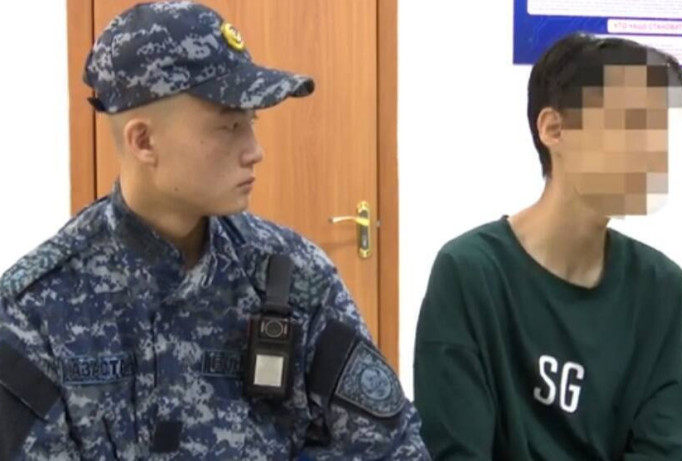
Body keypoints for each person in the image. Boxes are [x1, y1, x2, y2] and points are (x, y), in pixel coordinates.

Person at [0, 1, 428, 460]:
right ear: (143, 141)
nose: (255, 150)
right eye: (228, 127)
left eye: (251, 123)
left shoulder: (293, 277)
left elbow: (396, 448)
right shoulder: (36, 309)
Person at [412, 32, 682, 460]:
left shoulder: (661, 287)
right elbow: (455, 449)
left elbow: (670, 450)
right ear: (554, 128)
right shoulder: (470, 274)